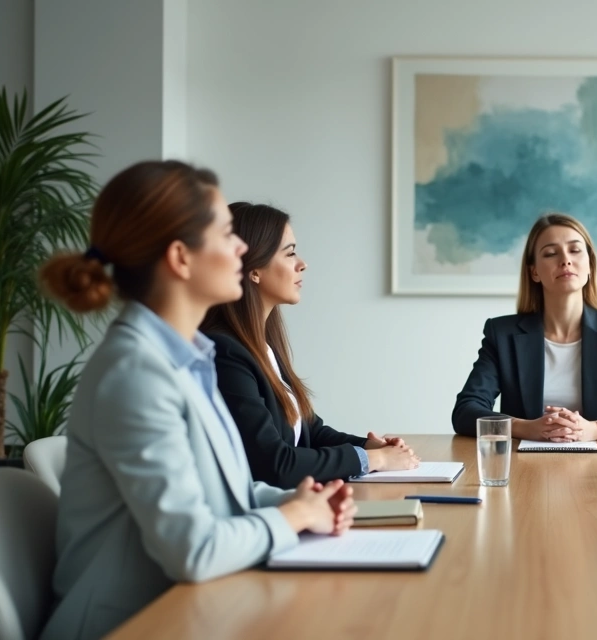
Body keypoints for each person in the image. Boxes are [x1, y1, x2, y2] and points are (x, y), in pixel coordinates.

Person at [38, 161, 355, 640]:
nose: (242, 249)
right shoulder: (136, 372)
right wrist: (293, 516)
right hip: (134, 623)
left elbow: (231, 495)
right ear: (181, 259)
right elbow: (193, 550)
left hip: (194, 608)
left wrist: (303, 499)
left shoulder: (188, 358)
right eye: (228, 234)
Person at [201, 203, 419, 488]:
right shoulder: (225, 352)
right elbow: (274, 463)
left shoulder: (262, 345)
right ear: (254, 270)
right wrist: (373, 461)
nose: (302, 263)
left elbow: (310, 430)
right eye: (290, 253)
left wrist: (370, 447)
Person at [452, 213, 597, 440]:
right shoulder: (502, 334)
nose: (565, 260)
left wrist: (596, 429)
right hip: (523, 467)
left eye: (575, 250)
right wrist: (525, 428)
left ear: (590, 264)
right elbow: (465, 411)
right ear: (534, 272)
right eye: (550, 253)